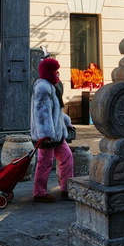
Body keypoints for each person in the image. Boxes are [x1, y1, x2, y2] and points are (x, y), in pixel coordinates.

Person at [30, 57, 74, 203]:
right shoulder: (43, 87)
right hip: (47, 136)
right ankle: (39, 193)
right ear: (49, 72)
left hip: (57, 134)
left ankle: (66, 189)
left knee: (67, 157)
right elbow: (41, 114)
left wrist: (66, 122)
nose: (57, 74)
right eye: (55, 71)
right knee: (45, 163)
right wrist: (45, 135)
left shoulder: (51, 86)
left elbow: (56, 111)